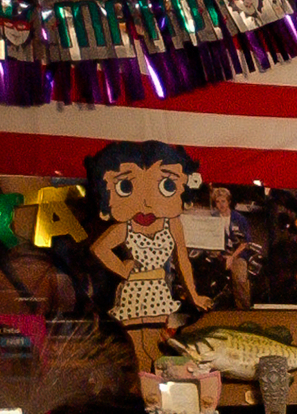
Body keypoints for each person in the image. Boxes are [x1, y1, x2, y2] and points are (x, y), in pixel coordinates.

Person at [83, 141, 213, 370]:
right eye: (125, 186)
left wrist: (194, 295)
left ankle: (157, 393)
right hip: (133, 293)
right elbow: (99, 248)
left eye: (166, 186)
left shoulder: (172, 224)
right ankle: (154, 395)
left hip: (158, 292)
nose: (146, 200)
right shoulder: (124, 227)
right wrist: (122, 268)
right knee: (141, 350)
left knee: (151, 348)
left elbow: (182, 259)